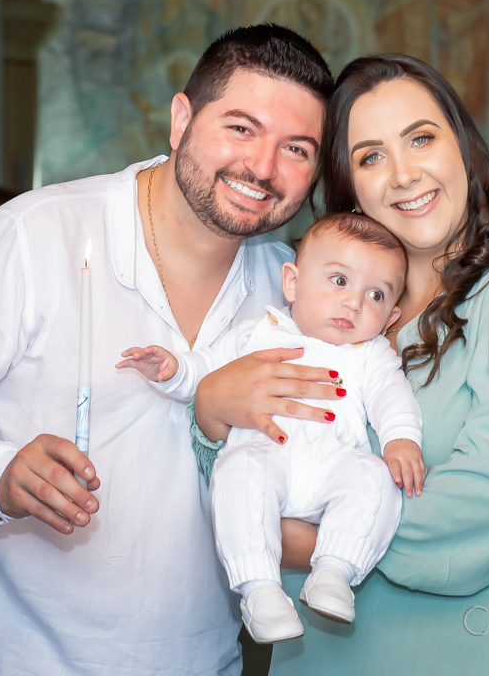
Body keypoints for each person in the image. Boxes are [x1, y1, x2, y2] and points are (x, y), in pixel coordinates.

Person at [0, 25, 348, 676]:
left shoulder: (290, 289)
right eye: (240, 128)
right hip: (14, 661)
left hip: (200, 662)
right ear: (182, 120)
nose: (263, 168)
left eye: (296, 148)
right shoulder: (33, 237)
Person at [192, 54, 489, 675]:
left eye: (421, 138)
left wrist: (294, 540)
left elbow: (482, 515)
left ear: (463, 148)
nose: (403, 174)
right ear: (349, 190)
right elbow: (235, 468)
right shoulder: (325, 318)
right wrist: (208, 411)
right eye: (370, 156)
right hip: (325, 656)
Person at [118, 212, 425, 643]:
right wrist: (173, 369)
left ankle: (335, 572)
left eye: (375, 294)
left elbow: (393, 398)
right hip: (265, 459)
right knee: (237, 473)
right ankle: (259, 590)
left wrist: (401, 441)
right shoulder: (258, 332)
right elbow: (205, 371)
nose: (354, 303)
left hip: (332, 469)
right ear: (293, 283)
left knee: (375, 478)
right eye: (339, 281)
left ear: (391, 317)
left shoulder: (369, 354)